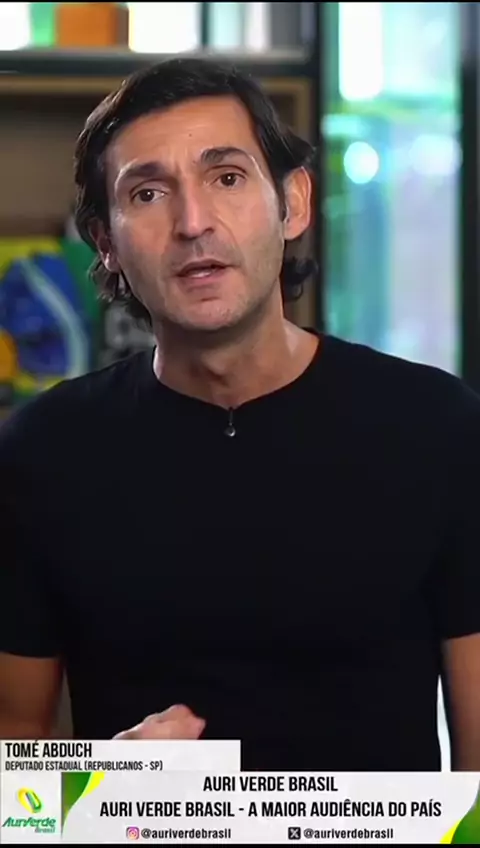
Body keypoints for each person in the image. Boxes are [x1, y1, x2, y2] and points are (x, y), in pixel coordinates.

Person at [0, 56, 479, 773]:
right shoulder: (42, 452)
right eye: (148, 193)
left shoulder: (438, 427)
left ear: (294, 203)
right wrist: (99, 789)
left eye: (226, 177)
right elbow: (17, 780)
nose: (194, 223)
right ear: (105, 242)